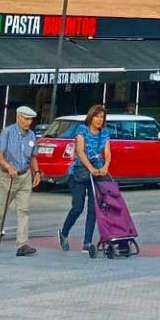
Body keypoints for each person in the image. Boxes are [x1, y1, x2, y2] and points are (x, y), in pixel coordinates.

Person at [57, 104, 111, 255]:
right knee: (78, 207)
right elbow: (80, 151)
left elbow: (107, 152)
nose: (99, 120)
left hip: (97, 172)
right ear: (91, 117)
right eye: (97, 116)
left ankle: (87, 242)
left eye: (102, 117)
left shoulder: (105, 133)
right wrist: (90, 168)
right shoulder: (82, 130)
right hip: (80, 172)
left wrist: (105, 165)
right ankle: (64, 232)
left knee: (93, 209)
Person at [0, 105, 40, 258]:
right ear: (18, 117)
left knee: (24, 210)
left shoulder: (31, 135)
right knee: (1, 210)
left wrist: (36, 171)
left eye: (30, 119)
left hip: (25, 175)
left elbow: (33, 156)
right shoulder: (8, 132)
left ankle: (22, 244)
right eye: (26, 119)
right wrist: (8, 166)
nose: (29, 122)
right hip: (8, 176)